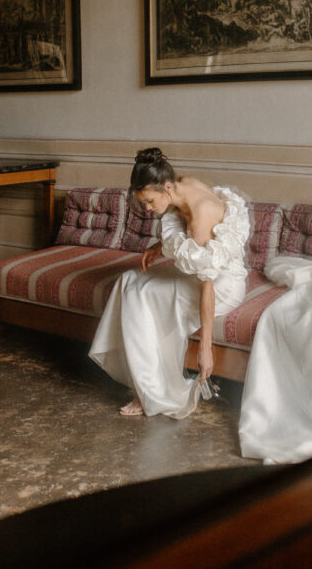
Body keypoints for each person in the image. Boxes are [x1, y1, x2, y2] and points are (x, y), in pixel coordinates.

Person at [89, 148, 250, 418]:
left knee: (139, 297)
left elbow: (207, 284)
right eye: (144, 202)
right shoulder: (182, 184)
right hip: (206, 275)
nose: (149, 209)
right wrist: (158, 246)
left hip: (222, 286)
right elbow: (185, 226)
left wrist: (205, 349)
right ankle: (144, 380)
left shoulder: (201, 216)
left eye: (150, 201)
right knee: (128, 280)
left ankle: (150, 392)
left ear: (165, 187)